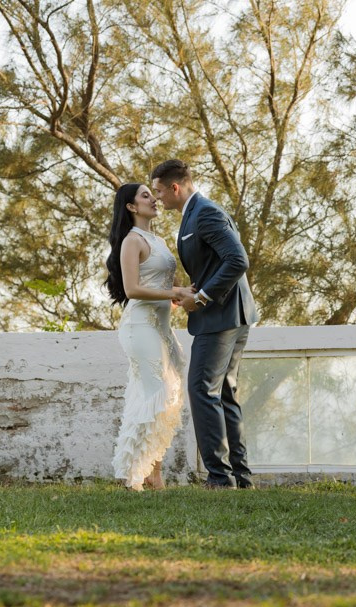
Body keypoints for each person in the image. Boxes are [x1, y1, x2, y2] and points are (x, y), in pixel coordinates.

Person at [150, 159, 259, 489]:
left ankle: (219, 478)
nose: (156, 198)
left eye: (159, 191)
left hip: (222, 316)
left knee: (201, 389)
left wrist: (203, 298)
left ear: (175, 187)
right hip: (229, 314)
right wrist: (192, 290)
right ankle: (240, 476)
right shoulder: (194, 214)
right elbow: (214, 262)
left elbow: (237, 260)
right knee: (224, 393)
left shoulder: (205, 213)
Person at [105, 183, 193, 491]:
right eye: (145, 195)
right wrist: (174, 291)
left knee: (168, 397)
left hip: (161, 327)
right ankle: (135, 477)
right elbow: (132, 289)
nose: (153, 199)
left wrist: (181, 295)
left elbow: (158, 283)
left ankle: (153, 475)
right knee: (157, 393)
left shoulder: (159, 241)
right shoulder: (132, 240)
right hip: (140, 326)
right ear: (131, 207)